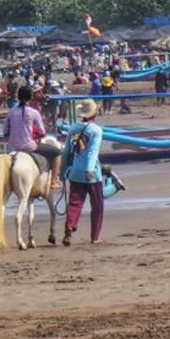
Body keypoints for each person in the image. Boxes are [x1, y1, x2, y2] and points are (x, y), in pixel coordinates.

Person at [61, 100, 106, 246]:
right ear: (94, 113)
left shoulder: (73, 128)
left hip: (75, 172)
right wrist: (89, 169)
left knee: (75, 203)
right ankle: (95, 237)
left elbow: (66, 151)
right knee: (97, 205)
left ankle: (69, 228)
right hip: (92, 173)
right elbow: (92, 151)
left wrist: (62, 172)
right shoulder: (96, 130)